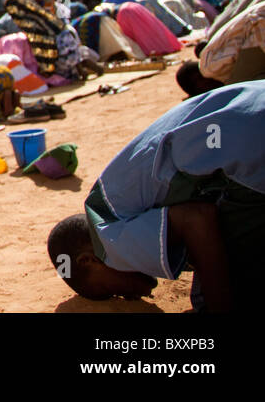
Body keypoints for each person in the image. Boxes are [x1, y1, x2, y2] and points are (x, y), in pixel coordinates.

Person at [46, 83, 265, 311]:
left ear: (89, 261)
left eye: (110, 291)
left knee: (209, 297)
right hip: (252, 106)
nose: (127, 296)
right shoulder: (110, 198)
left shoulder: (109, 240)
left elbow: (198, 219)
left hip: (251, 151)